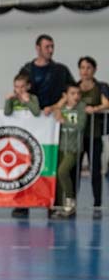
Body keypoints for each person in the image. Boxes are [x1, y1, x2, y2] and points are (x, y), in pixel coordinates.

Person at [56, 57, 109, 219]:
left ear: (94, 70)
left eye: (88, 68)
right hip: (75, 138)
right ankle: (72, 204)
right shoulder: (75, 87)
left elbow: (106, 104)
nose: (85, 71)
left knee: (95, 171)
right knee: (73, 172)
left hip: (94, 135)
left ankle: (97, 204)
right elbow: (60, 104)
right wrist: (55, 111)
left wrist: (95, 108)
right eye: (82, 68)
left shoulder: (100, 87)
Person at [51, 84, 88, 219]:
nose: (76, 96)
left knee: (63, 171)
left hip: (74, 148)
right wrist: (57, 109)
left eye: (78, 93)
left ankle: (70, 201)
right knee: (58, 176)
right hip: (61, 146)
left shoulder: (81, 107)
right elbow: (52, 112)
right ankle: (60, 206)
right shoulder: (61, 108)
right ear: (66, 95)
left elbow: (80, 125)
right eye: (72, 93)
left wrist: (63, 121)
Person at [19, 34, 75, 114]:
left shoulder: (61, 70)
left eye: (52, 47)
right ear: (38, 48)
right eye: (47, 47)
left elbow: (73, 92)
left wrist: (58, 105)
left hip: (55, 114)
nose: (51, 50)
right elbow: (19, 91)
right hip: (31, 114)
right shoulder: (26, 70)